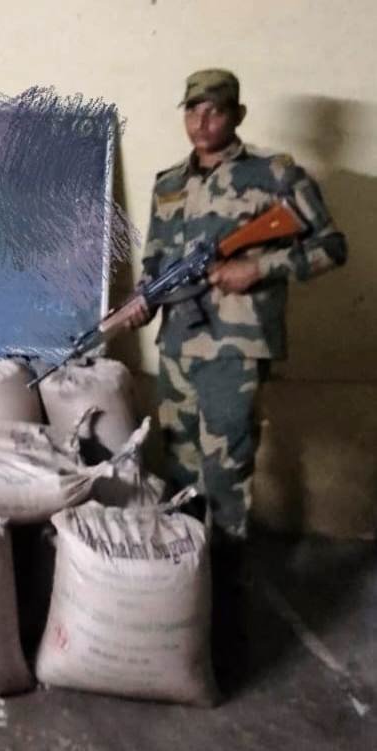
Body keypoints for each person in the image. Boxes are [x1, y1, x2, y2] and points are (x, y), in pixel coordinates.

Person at [126, 68, 347, 677]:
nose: (202, 122)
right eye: (192, 110)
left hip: (235, 349)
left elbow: (331, 245)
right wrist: (143, 299)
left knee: (227, 480)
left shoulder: (273, 174)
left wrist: (260, 268)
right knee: (180, 475)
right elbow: (155, 262)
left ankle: (226, 622)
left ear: (237, 115)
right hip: (180, 346)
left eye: (216, 110)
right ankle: (181, 607)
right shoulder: (169, 183)